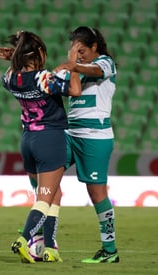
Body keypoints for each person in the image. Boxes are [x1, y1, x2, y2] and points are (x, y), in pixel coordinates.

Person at [0, 31, 81, 263]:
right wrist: (74, 65)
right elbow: (74, 90)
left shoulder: (9, 77)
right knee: (44, 197)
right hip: (50, 139)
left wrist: (15, 58)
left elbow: (21, 73)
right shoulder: (44, 78)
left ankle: (50, 248)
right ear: (39, 53)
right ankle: (24, 239)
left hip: (27, 141)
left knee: (54, 193)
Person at [55, 26, 120, 264]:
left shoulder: (105, 63)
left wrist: (73, 64)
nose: (78, 54)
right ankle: (39, 234)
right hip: (69, 133)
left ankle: (110, 249)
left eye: (82, 50)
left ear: (94, 47)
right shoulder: (76, 69)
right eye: (74, 51)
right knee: (44, 174)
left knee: (97, 193)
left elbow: (92, 70)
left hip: (95, 136)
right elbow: (53, 80)